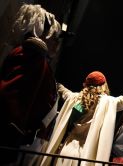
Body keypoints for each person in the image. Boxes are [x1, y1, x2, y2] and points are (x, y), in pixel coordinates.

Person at [40, 71, 123, 166]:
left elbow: (62, 89)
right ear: (103, 85)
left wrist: (51, 78)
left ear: (86, 84)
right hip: (88, 154)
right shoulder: (108, 103)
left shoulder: (74, 98)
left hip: (65, 151)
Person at [0, 3, 61, 164]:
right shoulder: (32, 54)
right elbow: (11, 98)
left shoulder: (37, 58)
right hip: (8, 141)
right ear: (42, 34)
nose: (57, 44)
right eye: (54, 38)